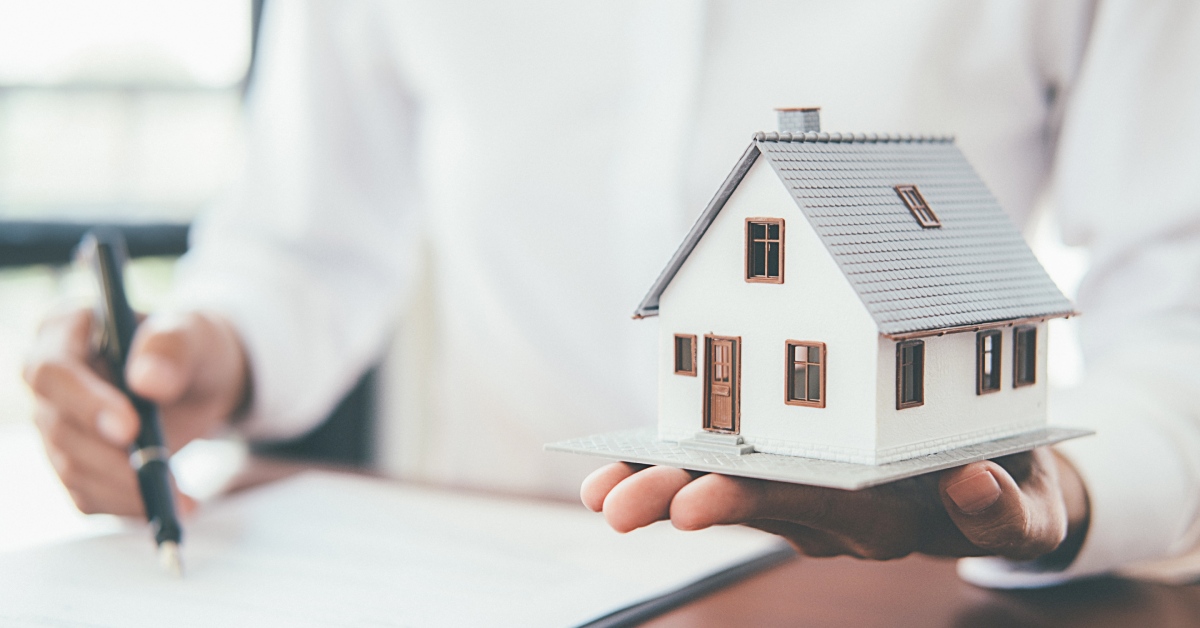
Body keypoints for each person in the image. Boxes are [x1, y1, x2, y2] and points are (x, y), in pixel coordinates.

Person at [22, 0, 1200, 587]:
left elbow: (1180, 291)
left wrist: (1070, 491)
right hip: (481, 583)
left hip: (911, 598)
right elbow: (303, 242)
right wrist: (208, 350)